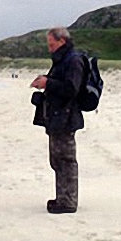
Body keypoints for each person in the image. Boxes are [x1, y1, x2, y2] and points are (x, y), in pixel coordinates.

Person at [30, 27, 86, 214]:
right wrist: (44, 88)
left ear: (61, 41)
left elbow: (71, 89)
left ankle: (68, 202)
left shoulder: (73, 60)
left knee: (66, 160)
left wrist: (48, 83)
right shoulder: (62, 60)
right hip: (57, 117)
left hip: (66, 118)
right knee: (57, 161)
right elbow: (60, 87)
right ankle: (62, 198)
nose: (49, 48)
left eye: (51, 44)